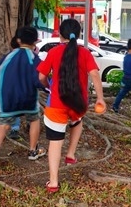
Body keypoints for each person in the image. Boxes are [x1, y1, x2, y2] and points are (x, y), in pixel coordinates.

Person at [37, 19, 105, 193]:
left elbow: (41, 77)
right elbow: (95, 75)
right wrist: (100, 98)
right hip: (78, 104)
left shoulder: (53, 52)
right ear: (80, 34)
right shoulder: (85, 53)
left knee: (55, 142)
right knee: (77, 120)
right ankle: (71, 154)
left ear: (60, 35)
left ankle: (53, 182)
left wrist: (48, 85)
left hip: (56, 106)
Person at [0, 26, 47, 169]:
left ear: (18, 40)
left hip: (8, 98)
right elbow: (40, 76)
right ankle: (33, 151)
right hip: (28, 97)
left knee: (4, 124)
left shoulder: (9, 56)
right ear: (34, 42)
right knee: (34, 119)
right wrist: (45, 87)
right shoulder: (33, 57)